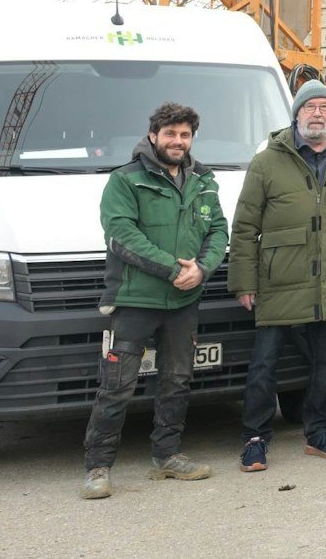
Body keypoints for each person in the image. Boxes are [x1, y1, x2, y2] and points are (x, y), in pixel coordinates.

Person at [79, 102, 228, 498]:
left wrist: (203, 268)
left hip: (183, 303)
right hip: (135, 300)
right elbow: (122, 235)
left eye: (184, 135)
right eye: (170, 134)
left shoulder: (204, 181)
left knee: (177, 381)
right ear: (153, 136)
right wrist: (174, 269)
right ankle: (97, 467)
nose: (177, 141)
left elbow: (219, 232)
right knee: (116, 386)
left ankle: (166, 457)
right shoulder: (125, 181)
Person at [231, 80, 326, 471]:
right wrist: (243, 281)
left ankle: (318, 433)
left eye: (324, 108)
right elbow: (245, 225)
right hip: (278, 279)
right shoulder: (269, 159)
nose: (317, 113)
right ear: (296, 114)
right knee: (264, 365)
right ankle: (255, 438)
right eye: (309, 106)